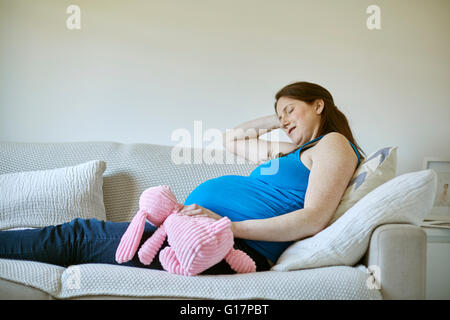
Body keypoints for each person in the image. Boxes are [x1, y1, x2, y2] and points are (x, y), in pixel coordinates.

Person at [0, 81, 365, 274]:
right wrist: (279, 115)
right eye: (279, 114)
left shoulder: (332, 143)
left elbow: (314, 219)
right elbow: (232, 139)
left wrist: (226, 226)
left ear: (319, 104)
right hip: (194, 233)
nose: (284, 120)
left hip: (223, 247)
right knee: (79, 235)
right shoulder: (286, 156)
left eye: (292, 110)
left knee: (78, 234)